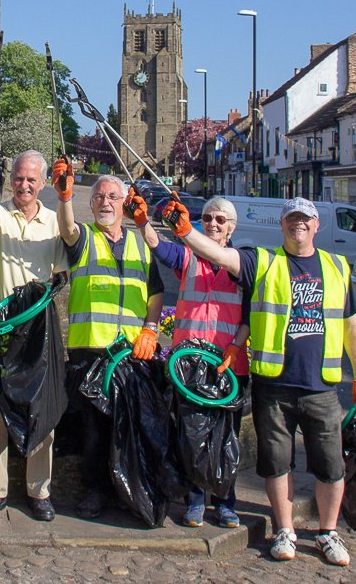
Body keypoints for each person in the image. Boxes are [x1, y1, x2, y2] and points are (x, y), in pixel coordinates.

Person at [163, 195, 356, 567]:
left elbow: (352, 329)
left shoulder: (336, 267)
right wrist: (186, 231)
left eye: (306, 219)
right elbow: (220, 256)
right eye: (292, 219)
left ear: (316, 225)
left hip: (321, 385)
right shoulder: (263, 261)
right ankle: (285, 530)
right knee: (277, 464)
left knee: (330, 466)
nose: (299, 225)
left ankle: (328, 532)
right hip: (274, 383)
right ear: (282, 225)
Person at [52, 161, 164, 519]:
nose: (105, 202)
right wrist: (65, 196)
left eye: (112, 196)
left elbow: (155, 292)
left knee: (129, 424)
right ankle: (96, 490)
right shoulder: (84, 237)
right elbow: (67, 229)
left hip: (132, 351)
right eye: (98, 196)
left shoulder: (141, 244)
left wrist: (151, 328)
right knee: (95, 428)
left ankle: (127, 489)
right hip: (91, 350)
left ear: (123, 203)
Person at [136, 195, 250, 529]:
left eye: (220, 220)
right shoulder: (188, 257)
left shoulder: (242, 262)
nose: (213, 224)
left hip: (229, 365)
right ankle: (196, 500)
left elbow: (249, 314)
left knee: (226, 437)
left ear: (231, 227)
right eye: (208, 218)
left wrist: (236, 345)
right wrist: (143, 221)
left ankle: (226, 502)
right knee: (192, 435)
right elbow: (160, 247)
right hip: (189, 363)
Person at [0, 150, 67, 522]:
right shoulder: (0, 212)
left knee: (40, 410)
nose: (24, 185)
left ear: (42, 183)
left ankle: (38, 490)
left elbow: (60, 270)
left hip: (36, 326)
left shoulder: (54, 221)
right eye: (18, 178)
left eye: (31, 179)